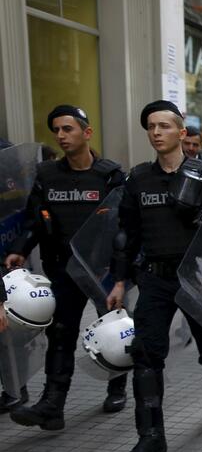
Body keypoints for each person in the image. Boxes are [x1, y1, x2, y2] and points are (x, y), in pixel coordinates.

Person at [106, 100, 202, 452]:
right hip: (155, 278)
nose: (156, 132)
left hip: (196, 277)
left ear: (181, 133)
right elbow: (125, 235)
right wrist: (118, 281)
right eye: (151, 126)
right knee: (146, 356)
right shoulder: (138, 179)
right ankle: (151, 437)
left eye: (164, 126)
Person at [4, 104, 128, 428]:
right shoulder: (47, 175)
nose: (61, 135)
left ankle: (117, 387)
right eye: (56, 130)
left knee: (113, 331)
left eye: (67, 129)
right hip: (61, 269)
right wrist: (20, 250)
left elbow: (125, 226)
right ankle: (52, 405)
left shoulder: (110, 175)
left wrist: (121, 272)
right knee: (60, 335)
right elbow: (34, 219)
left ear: (86, 132)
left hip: (101, 271)